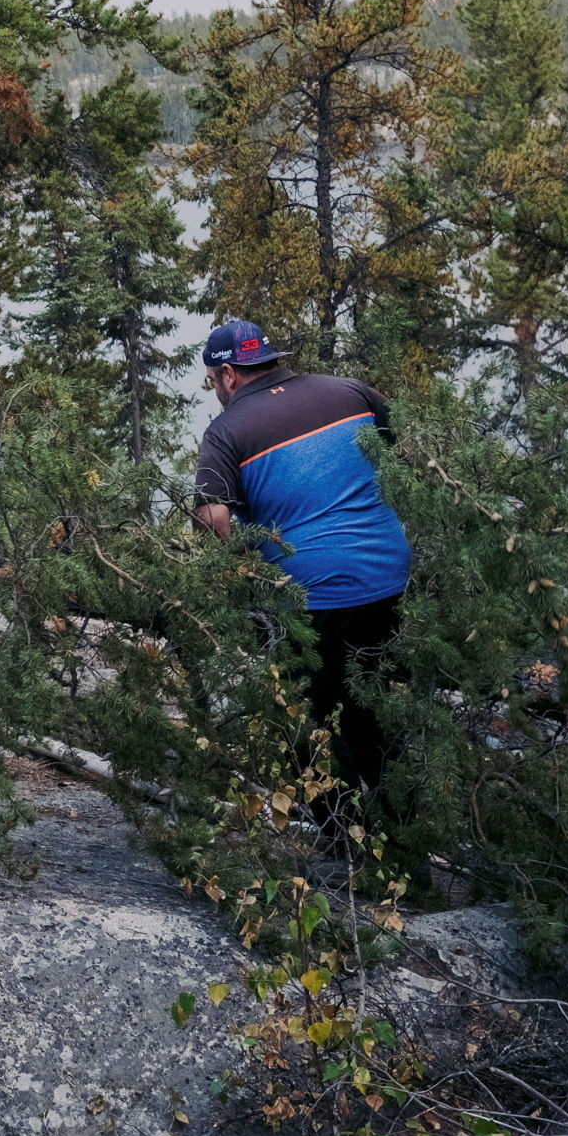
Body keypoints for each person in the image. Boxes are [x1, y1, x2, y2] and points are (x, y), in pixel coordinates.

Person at [191, 321, 411, 794]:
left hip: (311, 597)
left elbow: (214, 524)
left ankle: (340, 842)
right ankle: (402, 833)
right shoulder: (351, 392)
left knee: (314, 724)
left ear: (228, 374)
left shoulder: (226, 431)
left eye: (213, 382)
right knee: (380, 711)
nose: (216, 392)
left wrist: (234, 579)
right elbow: (409, 457)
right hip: (392, 577)